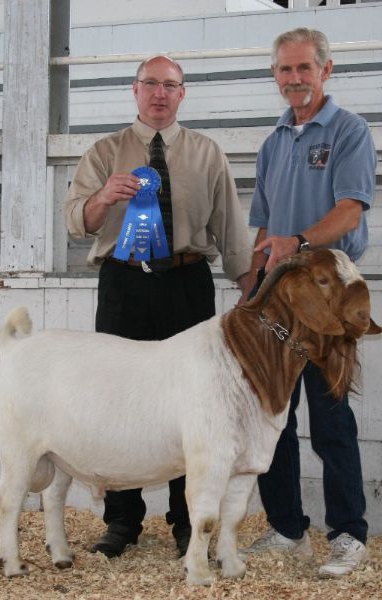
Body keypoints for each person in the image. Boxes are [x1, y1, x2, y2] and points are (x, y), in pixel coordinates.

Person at [64, 55, 251, 559]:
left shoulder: (207, 152)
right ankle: (122, 522)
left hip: (187, 284)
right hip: (123, 285)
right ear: (135, 89)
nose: (160, 93)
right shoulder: (104, 152)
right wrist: (103, 198)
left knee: (194, 403)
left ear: (183, 93)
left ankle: (187, 523)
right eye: (151, 83)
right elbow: (75, 220)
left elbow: (231, 231)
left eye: (170, 85)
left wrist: (252, 289)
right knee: (119, 399)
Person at [238, 28, 377, 578]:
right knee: (273, 414)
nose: (293, 79)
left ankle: (349, 534)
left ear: (326, 70)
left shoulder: (349, 130)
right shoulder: (274, 142)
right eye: (284, 70)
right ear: (275, 75)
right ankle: (288, 529)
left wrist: (299, 243)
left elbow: (350, 211)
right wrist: (250, 293)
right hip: (277, 299)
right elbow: (265, 227)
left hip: (325, 295)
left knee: (331, 417)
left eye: (303, 69)